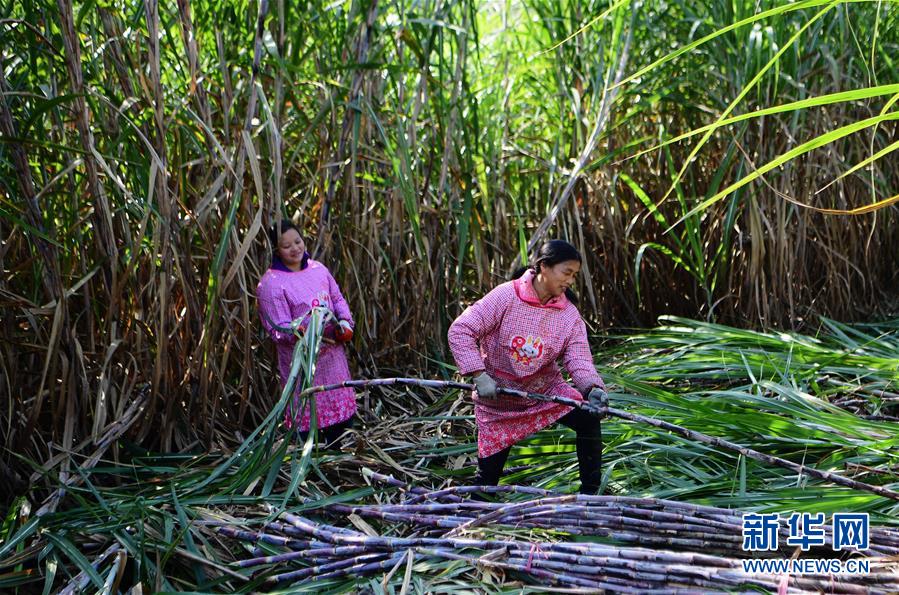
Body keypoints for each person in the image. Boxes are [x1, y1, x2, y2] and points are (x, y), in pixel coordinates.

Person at [447, 239, 608, 494]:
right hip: (498, 399)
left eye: (574, 275)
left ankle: (590, 494)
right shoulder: (505, 296)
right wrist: (479, 375)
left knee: (588, 419)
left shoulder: (568, 314)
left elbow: (578, 358)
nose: (570, 281)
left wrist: (592, 388)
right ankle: (470, 511)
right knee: (485, 482)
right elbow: (461, 329)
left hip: (545, 392)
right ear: (544, 267)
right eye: (566, 273)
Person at [257, 220, 356, 445]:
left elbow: (337, 298)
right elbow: (276, 327)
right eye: (286, 246)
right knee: (308, 416)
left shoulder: (319, 270)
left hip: (333, 359)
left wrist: (345, 324)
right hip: (301, 364)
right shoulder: (271, 285)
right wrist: (300, 332)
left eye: (298, 241)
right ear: (275, 250)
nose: (295, 248)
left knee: (342, 427)